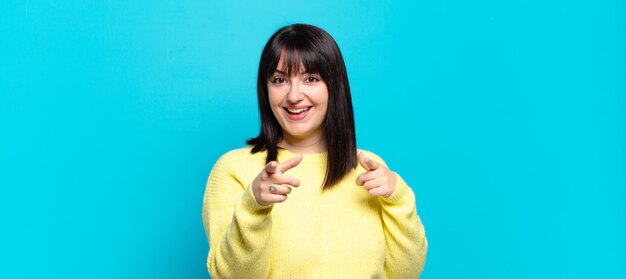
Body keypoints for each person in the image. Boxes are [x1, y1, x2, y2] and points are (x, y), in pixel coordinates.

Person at [202, 23, 427, 278]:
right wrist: (254, 206)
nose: (294, 96)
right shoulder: (234, 169)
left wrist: (398, 197)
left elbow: (404, 274)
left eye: (311, 78)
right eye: (279, 80)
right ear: (266, 90)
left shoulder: (369, 167)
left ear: (334, 86)